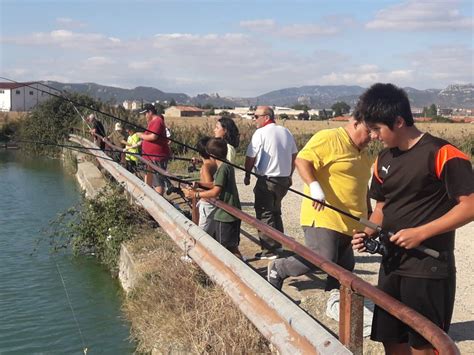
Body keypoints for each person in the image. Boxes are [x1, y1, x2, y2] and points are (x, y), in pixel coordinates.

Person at [351, 83, 474, 354]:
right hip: (392, 265)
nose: (372, 136)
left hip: (428, 268)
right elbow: (383, 204)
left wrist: (421, 232)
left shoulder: (443, 153)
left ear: (398, 120)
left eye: (376, 129)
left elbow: (470, 206)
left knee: (424, 344)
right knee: (390, 339)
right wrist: (368, 231)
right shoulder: (383, 158)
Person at [244, 106, 298, 260]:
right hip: (283, 179)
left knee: (264, 213)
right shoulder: (285, 132)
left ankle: (269, 250)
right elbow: (294, 155)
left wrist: (247, 174)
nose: (254, 119)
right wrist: (290, 174)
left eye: (256, 116)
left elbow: (250, 157)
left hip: (267, 179)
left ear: (266, 117)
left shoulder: (260, 133)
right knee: (276, 211)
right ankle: (279, 245)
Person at [184, 138, 243, 259]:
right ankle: (241, 269)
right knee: (232, 246)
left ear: (211, 155)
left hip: (226, 214)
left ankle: (236, 271)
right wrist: (199, 184)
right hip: (233, 211)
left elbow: (216, 191)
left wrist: (195, 195)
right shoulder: (227, 165)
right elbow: (216, 184)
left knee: (226, 247)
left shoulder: (222, 169)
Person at [137, 103, 171, 195]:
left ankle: (159, 200)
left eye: (145, 114)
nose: (145, 116)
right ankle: (147, 196)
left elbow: (153, 136)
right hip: (149, 158)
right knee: (149, 177)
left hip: (157, 157)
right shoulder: (152, 122)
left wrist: (141, 135)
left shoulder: (158, 121)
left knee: (158, 181)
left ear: (150, 112)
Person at [194, 136, 218, 234]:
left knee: (202, 234)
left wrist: (196, 187)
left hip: (207, 203)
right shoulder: (215, 163)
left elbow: (209, 185)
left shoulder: (206, 167)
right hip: (213, 204)